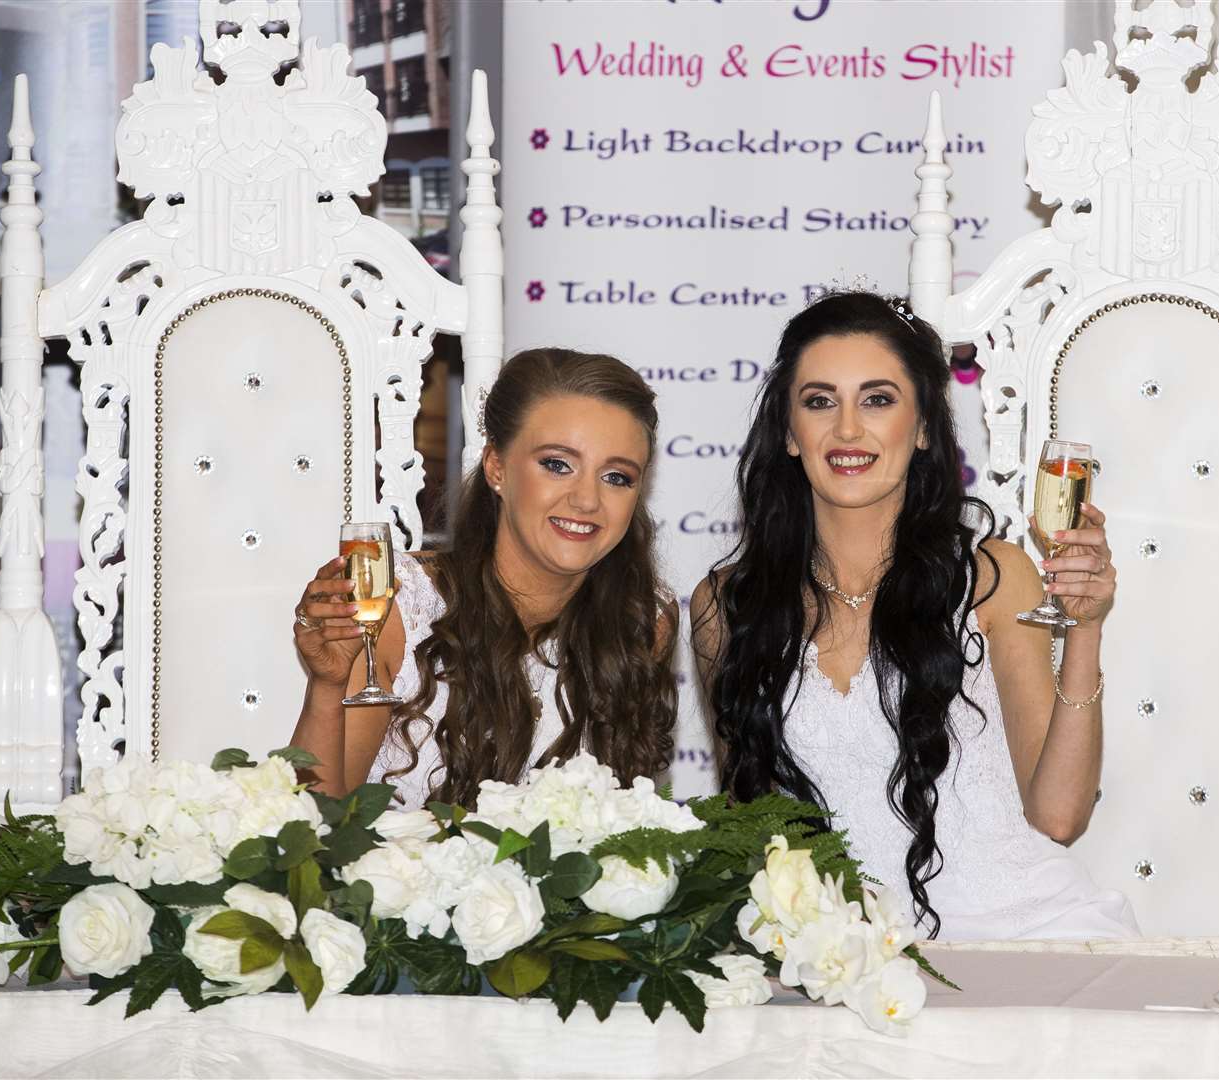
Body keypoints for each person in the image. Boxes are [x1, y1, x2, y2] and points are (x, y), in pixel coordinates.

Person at [691, 291, 1138, 941]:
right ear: (789, 433)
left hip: (1024, 934)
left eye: (878, 400)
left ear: (924, 426)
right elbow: (750, 830)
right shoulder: (728, 606)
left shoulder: (991, 577)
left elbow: (1061, 817)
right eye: (820, 402)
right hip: (842, 962)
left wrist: (1085, 629)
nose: (847, 430)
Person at [290, 348, 677, 807]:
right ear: (497, 467)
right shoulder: (402, 606)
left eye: (616, 477)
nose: (587, 500)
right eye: (557, 464)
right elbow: (316, 830)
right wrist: (328, 686)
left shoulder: (642, 619)